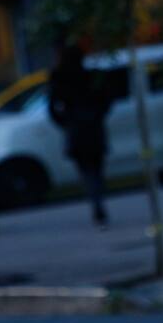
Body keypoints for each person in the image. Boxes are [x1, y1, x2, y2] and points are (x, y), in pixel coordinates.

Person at [48, 44, 112, 228]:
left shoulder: (60, 77)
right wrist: (97, 114)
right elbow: (106, 99)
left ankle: (96, 204)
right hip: (92, 126)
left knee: (86, 170)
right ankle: (98, 202)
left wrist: (65, 122)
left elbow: (53, 107)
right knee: (96, 168)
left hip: (76, 128)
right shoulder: (90, 75)